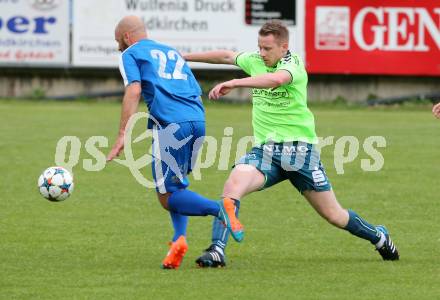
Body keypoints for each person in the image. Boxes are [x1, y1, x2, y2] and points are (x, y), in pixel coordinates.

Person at [183, 20, 399, 267]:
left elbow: (275, 80)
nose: (262, 53)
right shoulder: (255, 60)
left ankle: (379, 236)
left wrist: (234, 82)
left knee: (334, 215)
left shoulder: (293, 64)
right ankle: (217, 250)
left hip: (300, 153)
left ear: (284, 47)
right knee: (233, 185)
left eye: (267, 49)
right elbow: (225, 55)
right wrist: (184, 56)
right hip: (266, 152)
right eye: (259, 47)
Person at [106, 15, 243, 269]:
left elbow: (134, 90)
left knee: (167, 197)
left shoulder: (131, 53)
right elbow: (193, 88)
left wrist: (122, 133)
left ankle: (220, 208)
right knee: (176, 187)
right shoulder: (170, 52)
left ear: (127, 37)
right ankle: (178, 241)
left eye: (118, 42)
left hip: (171, 126)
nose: (118, 48)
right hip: (197, 121)